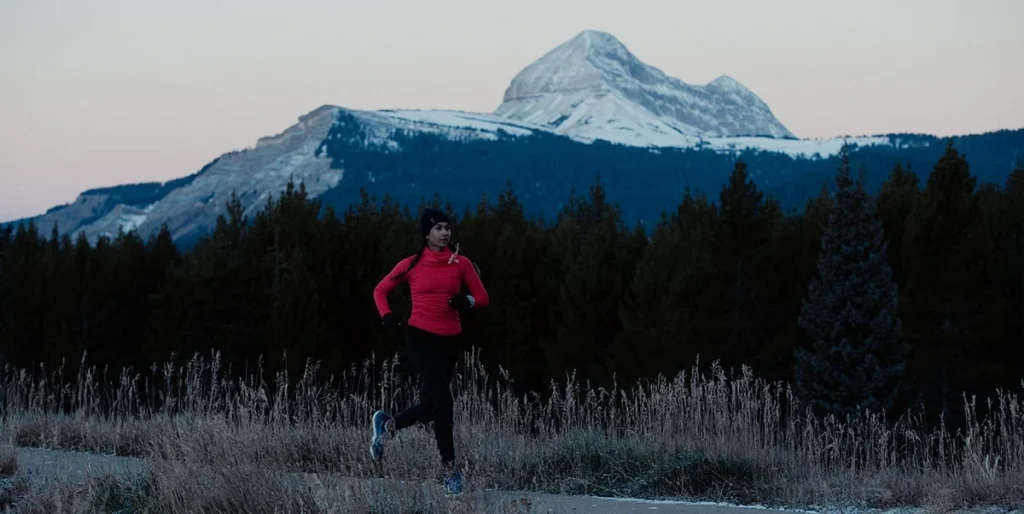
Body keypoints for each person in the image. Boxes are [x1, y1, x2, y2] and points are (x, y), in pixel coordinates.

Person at [369, 207, 489, 495]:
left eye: (448, 227)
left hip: (450, 341)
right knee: (444, 403)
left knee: (428, 407)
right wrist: (386, 315)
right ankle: (450, 472)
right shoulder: (411, 264)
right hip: (420, 336)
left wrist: (467, 301)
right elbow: (379, 290)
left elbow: (483, 297)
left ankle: (387, 425)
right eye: (439, 228)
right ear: (427, 233)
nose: (445, 232)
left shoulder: (461, 264)